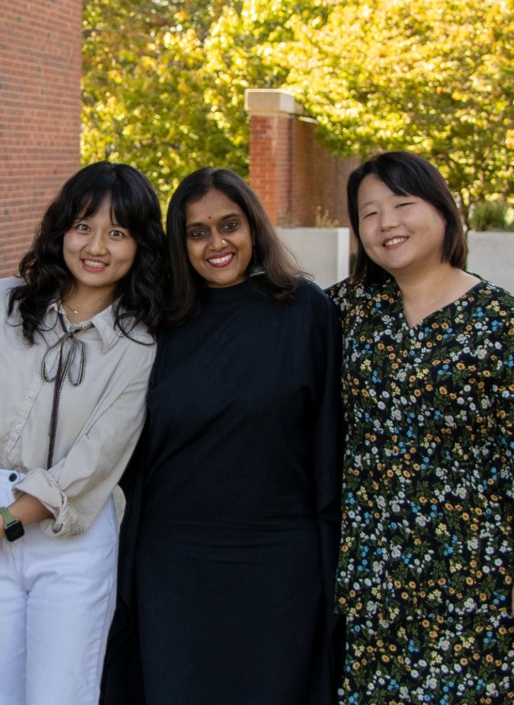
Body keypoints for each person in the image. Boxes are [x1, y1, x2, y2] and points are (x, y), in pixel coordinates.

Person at [327, 152, 514, 703]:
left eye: (402, 205)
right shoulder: (345, 311)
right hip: (373, 571)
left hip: (475, 569)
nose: (387, 223)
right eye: (369, 214)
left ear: (442, 211)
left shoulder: (501, 319)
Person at [100, 167, 342, 704]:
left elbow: (330, 440)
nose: (217, 243)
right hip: (173, 561)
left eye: (229, 225)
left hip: (280, 559)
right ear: (178, 242)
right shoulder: (155, 319)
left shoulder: (307, 312)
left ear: (254, 226)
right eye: (197, 231)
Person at [0, 162, 168, 704]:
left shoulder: (140, 344)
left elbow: (98, 457)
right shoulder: (1, 303)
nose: (97, 246)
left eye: (118, 233)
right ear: (61, 229)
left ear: (140, 246)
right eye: (83, 226)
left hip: (70, 539)